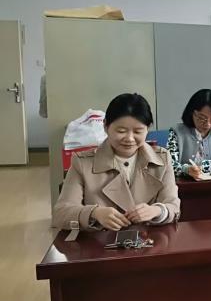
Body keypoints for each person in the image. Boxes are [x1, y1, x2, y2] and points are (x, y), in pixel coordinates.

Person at [52, 93, 180, 230]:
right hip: (100, 241)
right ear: (106, 126)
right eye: (121, 131)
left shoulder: (162, 158)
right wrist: (94, 213)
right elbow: (61, 213)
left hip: (148, 240)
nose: (129, 138)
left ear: (147, 129)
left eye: (138, 131)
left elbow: (173, 206)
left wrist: (158, 211)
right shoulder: (83, 163)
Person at [167, 89, 211, 179]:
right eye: (202, 118)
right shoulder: (177, 132)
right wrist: (186, 169)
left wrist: (204, 166)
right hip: (185, 186)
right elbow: (168, 165)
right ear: (191, 113)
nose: (208, 124)